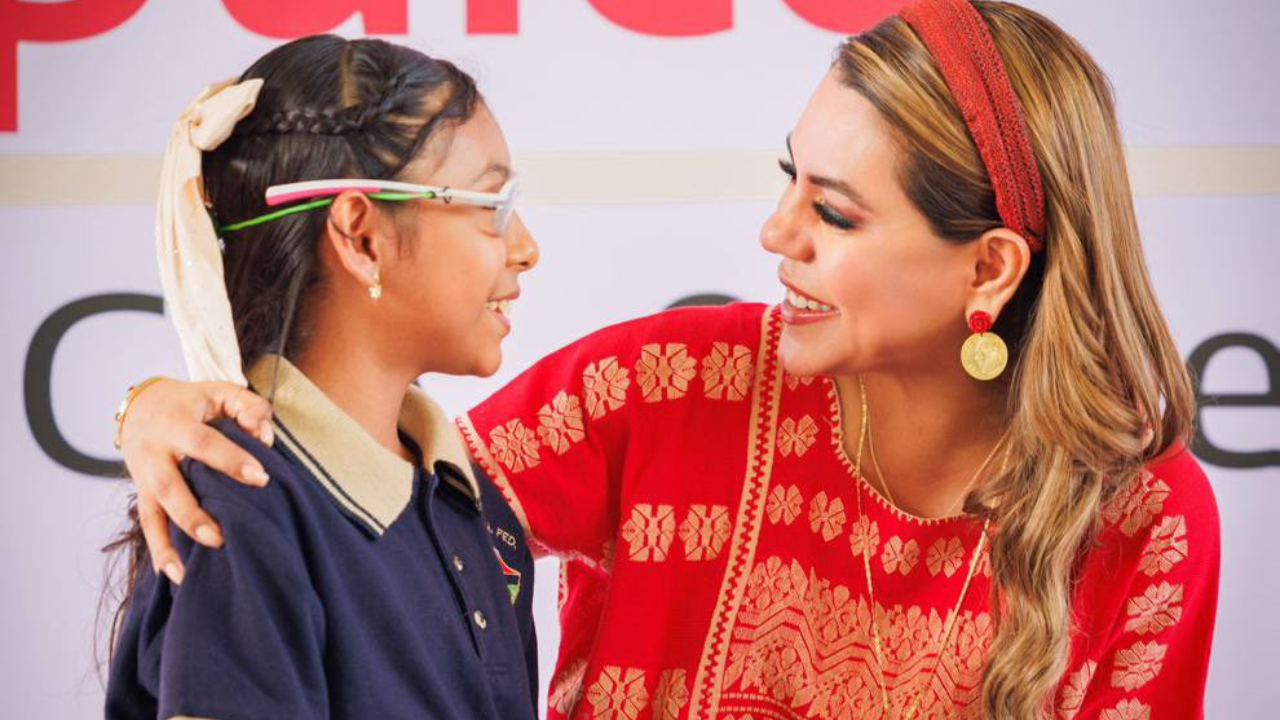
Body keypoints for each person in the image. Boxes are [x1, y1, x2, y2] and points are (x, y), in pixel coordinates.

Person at [116, 2, 1220, 718]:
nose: (772, 236)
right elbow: (367, 512)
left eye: (830, 214)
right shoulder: (672, 385)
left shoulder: (1144, 522)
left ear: (987, 270)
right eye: (786, 178)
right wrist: (178, 403)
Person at [104, 34, 541, 719]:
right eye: (493, 207)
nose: (526, 249)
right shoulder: (239, 502)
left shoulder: (480, 512)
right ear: (361, 237)